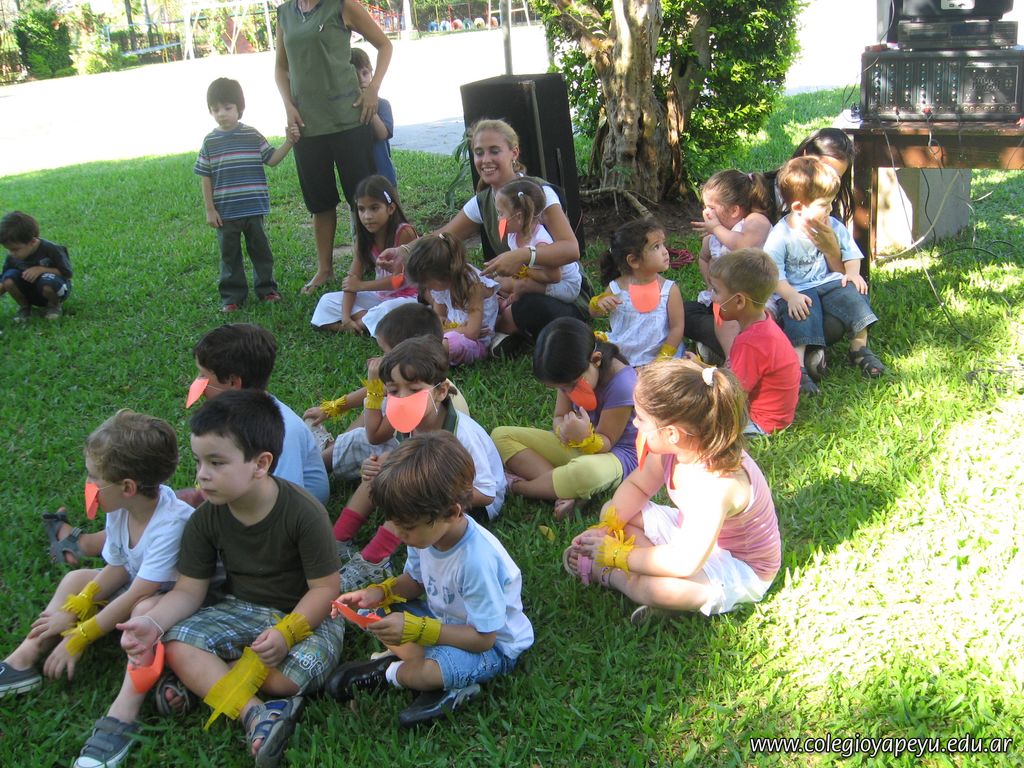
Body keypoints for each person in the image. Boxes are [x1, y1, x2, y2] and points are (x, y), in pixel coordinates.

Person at [117, 390, 342, 767]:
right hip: (243, 608)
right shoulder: (206, 519)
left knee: (285, 681)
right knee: (176, 642)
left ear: (261, 464)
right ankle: (255, 713)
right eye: (199, 461)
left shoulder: (304, 513)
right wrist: (152, 623)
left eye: (217, 462)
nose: (202, 475)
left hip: (308, 615)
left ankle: (204, 680)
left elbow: (326, 589)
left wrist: (287, 634)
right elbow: (189, 591)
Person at [47, 323, 332, 567]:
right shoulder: (239, 416)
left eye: (202, 376)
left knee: (173, 518)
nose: (196, 383)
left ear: (233, 382)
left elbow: (285, 501)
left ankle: (89, 547)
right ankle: (96, 543)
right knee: (171, 503)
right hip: (247, 493)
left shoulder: (282, 429)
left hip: (278, 513)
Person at [0, 411, 192, 768]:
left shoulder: (172, 524)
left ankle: (123, 713)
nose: (88, 484)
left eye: (93, 477)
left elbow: (136, 594)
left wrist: (81, 635)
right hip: (138, 587)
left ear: (127, 487)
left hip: (174, 605)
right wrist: (78, 605)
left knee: (143, 609)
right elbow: (117, 569)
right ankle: (24, 658)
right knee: (76, 580)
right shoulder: (119, 508)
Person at [326, 432, 533, 727]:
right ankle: (420, 667)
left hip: (493, 648)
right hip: (443, 622)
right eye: (394, 522)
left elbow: (483, 638)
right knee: (378, 613)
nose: (398, 533)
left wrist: (417, 629)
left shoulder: (476, 561)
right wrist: (379, 593)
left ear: (451, 513)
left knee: (437, 669)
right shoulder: (426, 536)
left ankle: (394, 673)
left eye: (407, 526)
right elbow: (414, 582)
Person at [563, 360, 781, 624]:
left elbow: (685, 561)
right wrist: (607, 527)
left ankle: (610, 575)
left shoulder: (717, 487)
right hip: (691, 535)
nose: (635, 423)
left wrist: (616, 555)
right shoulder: (672, 450)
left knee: (660, 589)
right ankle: (647, 575)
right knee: (615, 510)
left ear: (672, 434)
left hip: (737, 565)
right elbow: (637, 487)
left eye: (641, 418)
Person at [379, 119, 586, 354]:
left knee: (528, 308)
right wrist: (404, 251)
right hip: (512, 289)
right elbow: (441, 236)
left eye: (494, 151)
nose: (485, 160)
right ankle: (492, 330)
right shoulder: (483, 201)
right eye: (479, 153)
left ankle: (490, 330)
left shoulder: (538, 193)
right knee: (434, 283)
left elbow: (571, 249)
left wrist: (522, 256)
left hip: (560, 292)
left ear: (514, 152)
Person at [335, 336, 505, 592]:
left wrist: (426, 486)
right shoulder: (409, 420)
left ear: (441, 391)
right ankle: (337, 540)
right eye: (393, 391)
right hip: (434, 481)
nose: (402, 398)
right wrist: (385, 466)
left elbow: (488, 493)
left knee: (408, 495)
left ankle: (373, 561)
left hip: (470, 503)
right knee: (380, 475)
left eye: (414, 390)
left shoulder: (462, 435)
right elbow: (392, 445)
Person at [275, 0, 393, 294]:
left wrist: (373, 89)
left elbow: (384, 45)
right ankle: (324, 270)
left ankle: (368, 262)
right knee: (320, 202)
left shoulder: (341, 5)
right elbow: (281, 67)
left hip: (349, 121)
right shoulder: (285, 13)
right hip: (307, 125)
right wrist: (288, 105)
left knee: (362, 198)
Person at [491, 317, 637, 520]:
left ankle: (518, 487)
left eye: (571, 385)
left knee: (585, 472)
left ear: (595, 360)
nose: (568, 392)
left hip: (615, 456)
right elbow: (559, 417)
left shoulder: (623, 384)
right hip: (576, 443)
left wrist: (586, 438)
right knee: (500, 436)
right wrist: (563, 430)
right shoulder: (569, 376)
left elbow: (607, 442)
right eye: (562, 388)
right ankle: (565, 490)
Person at [303, 301, 471, 478]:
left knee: (360, 437)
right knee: (380, 403)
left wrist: (374, 385)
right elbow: (371, 394)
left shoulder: (411, 397)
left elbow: (374, 436)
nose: (383, 358)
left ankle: (315, 467)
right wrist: (333, 408)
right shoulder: (426, 380)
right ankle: (337, 447)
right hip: (422, 446)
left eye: (387, 353)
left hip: (424, 459)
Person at [763, 157, 885, 395]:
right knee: (800, 313)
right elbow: (774, 273)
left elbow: (850, 253)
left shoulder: (833, 226)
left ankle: (859, 348)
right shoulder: (781, 235)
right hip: (798, 289)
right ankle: (797, 366)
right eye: (824, 205)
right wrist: (791, 296)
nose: (830, 209)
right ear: (799, 207)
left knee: (855, 295)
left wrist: (852, 274)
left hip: (828, 282)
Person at [196, 77, 292, 313]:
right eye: (215, 109)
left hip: (253, 208)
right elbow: (205, 176)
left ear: (239, 108)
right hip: (225, 213)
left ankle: (267, 289)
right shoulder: (210, 142)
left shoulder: (252, 135)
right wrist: (210, 209)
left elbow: (272, 159)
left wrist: (289, 142)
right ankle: (232, 297)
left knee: (261, 251)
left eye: (227, 108)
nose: (221, 114)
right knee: (229, 256)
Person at [707, 249, 800, 435]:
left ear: (739, 301)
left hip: (761, 423)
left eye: (716, 291)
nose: (712, 297)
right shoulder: (764, 324)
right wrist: (703, 368)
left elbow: (731, 394)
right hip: (777, 418)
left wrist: (698, 379)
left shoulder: (750, 343)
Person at [684, 170, 773, 363]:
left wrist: (716, 229)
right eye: (704, 207)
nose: (706, 213)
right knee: (683, 312)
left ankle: (733, 359)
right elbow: (703, 258)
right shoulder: (714, 237)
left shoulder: (755, 221)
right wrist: (711, 285)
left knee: (736, 317)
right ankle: (728, 352)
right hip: (724, 301)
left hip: (755, 300)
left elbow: (744, 245)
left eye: (711, 207)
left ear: (734, 211)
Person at [310, 175, 417, 334]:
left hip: (408, 298)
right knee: (327, 301)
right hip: (379, 297)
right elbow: (352, 280)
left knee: (386, 310)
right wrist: (345, 317)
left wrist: (362, 286)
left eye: (374, 208)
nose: (367, 216)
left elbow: (399, 281)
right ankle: (358, 324)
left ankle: (358, 324)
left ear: (391, 208)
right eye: (361, 209)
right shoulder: (364, 238)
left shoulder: (404, 233)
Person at [492, 177, 582, 346]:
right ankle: (506, 304)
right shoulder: (513, 235)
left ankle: (509, 304)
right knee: (498, 281)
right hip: (541, 278)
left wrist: (524, 272)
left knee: (521, 285)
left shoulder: (541, 241)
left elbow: (554, 276)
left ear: (519, 217)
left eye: (501, 214)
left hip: (565, 284)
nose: (498, 218)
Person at [589, 218, 684, 367]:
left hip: (658, 355)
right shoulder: (617, 287)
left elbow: (677, 327)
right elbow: (594, 313)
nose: (665, 252)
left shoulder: (669, 290)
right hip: (622, 354)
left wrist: (663, 357)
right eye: (656, 247)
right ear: (634, 261)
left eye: (663, 244)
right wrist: (598, 303)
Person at [404, 234, 499, 367]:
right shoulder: (441, 286)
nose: (426, 287)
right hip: (453, 331)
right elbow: (438, 316)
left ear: (444, 275)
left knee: (449, 343)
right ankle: (422, 353)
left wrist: (444, 332)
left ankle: (422, 360)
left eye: (427, 283)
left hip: (476, 343)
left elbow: (472, 332)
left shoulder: (473, 287)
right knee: (415, 325)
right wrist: (446, 327)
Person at [765, 127, 854, 224]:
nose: (826, 177)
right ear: (805, 155)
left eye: (835, 176)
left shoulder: (828, 210)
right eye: (820, 169)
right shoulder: (761, 193)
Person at [0, 210, 72, 321]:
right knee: (8, 279)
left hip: (55, 288)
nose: (11, 253)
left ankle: (54, 307)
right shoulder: (13, 256)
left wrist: (41, 270)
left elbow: (67, 273)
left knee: (47, 281)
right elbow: (4, 280)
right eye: (9, 249)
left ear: (33, 242)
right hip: (30, 291)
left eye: (15, 249)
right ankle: (25, 307)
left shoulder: (52, 249)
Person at [350, 48, 396, 186]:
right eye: (355, 75)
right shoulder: (348, 109)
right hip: (359, 177)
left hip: (384, 174)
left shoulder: (383, 104)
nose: (361, 80)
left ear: (371, 73)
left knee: (390, 199)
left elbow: (382, 134)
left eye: (365, 73)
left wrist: (371, 108)